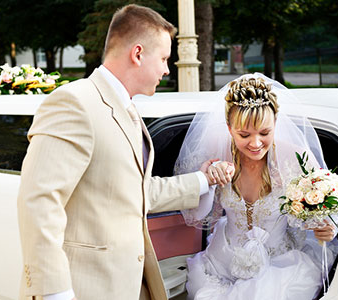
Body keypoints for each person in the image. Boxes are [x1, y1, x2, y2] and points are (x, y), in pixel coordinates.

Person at [17, 4, 231, 300]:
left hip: (130, 283)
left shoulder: (127, 108)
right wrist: (54, 291)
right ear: (138, 53)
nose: (167, 69)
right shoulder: (74, 102)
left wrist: (202, 180)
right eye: (164, 58)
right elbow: (39, 202)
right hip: (86, 287)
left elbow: (134, 190)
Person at [175, 74, 338, 300]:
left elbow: (325, 204)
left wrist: (329, 226)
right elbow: (197, 216)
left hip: (281, 267)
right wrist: (209, 182)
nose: (255, 144)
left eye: (265, 133)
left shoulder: (295, 157)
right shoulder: (215, 154)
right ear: (229, 128)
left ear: (275, 124)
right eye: (244, 135)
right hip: (222, 263)